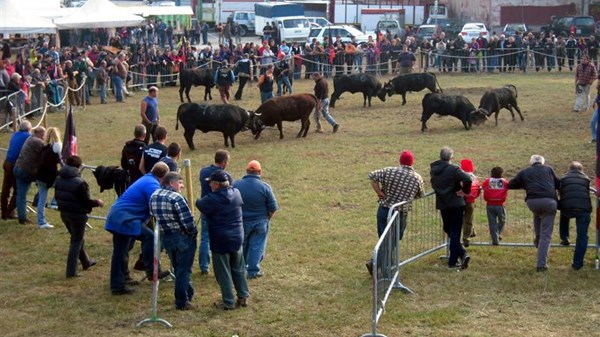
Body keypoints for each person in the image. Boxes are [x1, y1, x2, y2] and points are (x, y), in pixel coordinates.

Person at [104, 162, 170, 295]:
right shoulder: (152, 184)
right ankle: (152, 271)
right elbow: (156, 204)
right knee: (150, 237)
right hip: (125, 218)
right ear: (163, 176)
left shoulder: (146, 178)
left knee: (121, 251)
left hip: (118, 216)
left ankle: (119, 283)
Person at [196, 170, 249, 310]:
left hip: (220, 239)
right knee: (238, 268)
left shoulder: (212, 199)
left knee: (223, 272)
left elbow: (199, 204)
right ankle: (243, 296)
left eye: (211, 183)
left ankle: (228, 301)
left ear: (217, 184)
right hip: (237, 237)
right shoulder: (236, 193)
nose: (210, 185)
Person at [366, 150, 425, 275]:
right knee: (394, 238)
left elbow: (372, 176)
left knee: (383, 237)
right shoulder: (417, 178)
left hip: (384, 210)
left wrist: (379, 192)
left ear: (400, 161)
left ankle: (385, 262)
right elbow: (420, 195)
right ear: (412, 162)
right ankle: (375, 263)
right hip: (400, 213)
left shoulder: (390, 171)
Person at [149, 172, 197, 310]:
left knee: (177, 266)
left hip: (166, 236)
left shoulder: (154, 195)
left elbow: (153, 215)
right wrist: (193, 233)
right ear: (171, 183)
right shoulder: (177, 198)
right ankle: (181, 301)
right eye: (180, 183)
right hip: (182, 236)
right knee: (184, 269)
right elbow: (187, 221)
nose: (181, 186)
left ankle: (189, 291)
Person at [508, 155, 560, 272]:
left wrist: (526, 183)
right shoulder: (549, 169)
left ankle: (538, 238)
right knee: (546, 235)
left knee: (537, 214)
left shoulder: (525, 171)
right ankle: (541, 264)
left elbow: (511, 184)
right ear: (542, 162)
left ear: (531, 162)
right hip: (549, 202)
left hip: (533, 202)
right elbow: (558, 183)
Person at [55, 155, 104, 278]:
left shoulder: (59, 178)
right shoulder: (79, 183)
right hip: (77, 215)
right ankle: (71, 272)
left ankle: (86, 262)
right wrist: (97, 202)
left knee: (77, 238)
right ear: (79, 166)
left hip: (64, 213)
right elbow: (85, 202)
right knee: (76, 242)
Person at [233, 160, 278, 279]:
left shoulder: (236, 185)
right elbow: (273, 207)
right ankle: (253, 270)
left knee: (243, 245)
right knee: (257, 245)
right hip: (260, 221)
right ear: (259, 172)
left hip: (242, 222)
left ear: (247, 171)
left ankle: (240, 268)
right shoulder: (265, 187)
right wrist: (267, 218)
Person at [430, 146, 472, 269]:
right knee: (454, 232)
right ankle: (462, 253)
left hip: (443, 204)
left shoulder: (434, 169)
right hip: (456, 204)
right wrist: (465, 191)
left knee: (449, 230)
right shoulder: (454, 169)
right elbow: (467, 179)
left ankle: (453, 262)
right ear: (451, 157)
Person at [198, 150, 232, 275]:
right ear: (223, 163)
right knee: (221, 238)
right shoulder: (226, 176)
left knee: (205, 237)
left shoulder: (203, 172)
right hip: (220, 212)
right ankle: (223, 265)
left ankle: (204, 266)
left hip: (206, 207)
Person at [558, 161, 592, 270]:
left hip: (567, 207)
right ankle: (578, 263)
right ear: (581, 169)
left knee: (564, 216)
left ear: (569, 169)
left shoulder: (563, 178)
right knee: (582, 236)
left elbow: (561, 193)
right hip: (584, 208)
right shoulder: (586, 179)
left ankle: (564, 237)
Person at [13, 126, 46, 225]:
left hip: (18, 168)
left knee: (21, 195)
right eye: (44, 135)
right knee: (45, 184)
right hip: (27, 171)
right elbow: (47, 150)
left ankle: (22, 218)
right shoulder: (38, 142)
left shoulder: (30, 138)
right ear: (40, 134)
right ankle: (37, 200)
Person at [2, 121, 31, 220]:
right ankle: (9, 212)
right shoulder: (28, 136)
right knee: (18, 190)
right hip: (15, 164)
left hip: (7, 162)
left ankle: (3, 211)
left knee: (6, 188)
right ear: (28, 129)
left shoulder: (14, 134)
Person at [36, 127, 63, 229]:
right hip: (48, 176)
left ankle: (41, 222)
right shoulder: (56, 147)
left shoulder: (44, 146)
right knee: (62, 183)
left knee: (42, 200)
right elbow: (61, 161)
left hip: (40, 175)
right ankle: (54, 202)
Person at [482, 166, 508, 245]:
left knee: (492, 223)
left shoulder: (487, 181)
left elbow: (482, 185)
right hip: (500, 205)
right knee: (502, 220)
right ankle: (496, 236)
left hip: (489, 205)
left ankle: (495, 238)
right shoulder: (504, 182)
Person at [460, 159, 480, 247]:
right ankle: (467, 237)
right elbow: (478, 190)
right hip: (471, 201)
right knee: (469, 219)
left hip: (460, 201)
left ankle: (467, 236)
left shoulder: (460, 176)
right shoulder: (474, 177)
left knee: (461, 219)